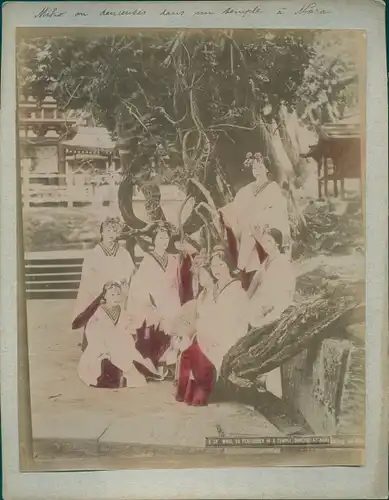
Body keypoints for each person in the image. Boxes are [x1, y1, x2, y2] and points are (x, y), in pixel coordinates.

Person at [175, 246, 249, 405]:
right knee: (188, 353)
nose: (217, 270)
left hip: (228, 339)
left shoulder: (236, 290)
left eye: (221, 265)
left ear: (229, 265)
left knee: (196, 351)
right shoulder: (213, 290)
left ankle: (208, 386)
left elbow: (238, 323)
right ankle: (195, 386)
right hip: (210, 336)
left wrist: (214, 335)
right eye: (214, 266)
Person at [217, 152, 290, 290]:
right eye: (254, 168)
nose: (256, 170)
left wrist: (263, 219)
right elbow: (236, 207)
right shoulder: (246, 190)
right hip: (248, 227)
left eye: (260, 167)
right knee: (247, 231)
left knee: (254, 231)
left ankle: (245, 267)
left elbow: (278, 209)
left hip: (266, 226)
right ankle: (245, 273)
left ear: (267, 169)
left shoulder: (273, 188)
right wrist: (223, 212)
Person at [125, 222, 188, 371]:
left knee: (177, 321)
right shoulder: (148, 260)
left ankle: (172, 358)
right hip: (152, 301)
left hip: (171, 298)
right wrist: (152, 303)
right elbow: (140, 285)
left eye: (166, 238)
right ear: (153, 240)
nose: (164, 241)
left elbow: (178, 282)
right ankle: (154, 360)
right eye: (160, 238)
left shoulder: (173, 259)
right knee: (154, 319)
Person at [77, 282, 161, 388]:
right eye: (112, 295)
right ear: (104, 296)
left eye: (118, 294)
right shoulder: (98, 311)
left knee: (130, 358)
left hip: (119, 341)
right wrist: (101, 345)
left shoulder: (121, 311)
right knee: (102, 362)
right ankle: (111, 376)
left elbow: (129, 324)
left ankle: (128, 373)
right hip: (101, 343)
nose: (116, 297)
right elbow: (91, 330)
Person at [72, 216, 136, 351]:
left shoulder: (124, 254)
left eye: (115, 231)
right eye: (108, 230)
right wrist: (105, 288)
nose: (111, 234)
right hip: (100, 295)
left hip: (119, 294)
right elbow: (89, 278)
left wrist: (119, 284)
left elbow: (129, 272)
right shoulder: (93, 255)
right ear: (102, 232)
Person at [246, 227, 296, 398]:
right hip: (260, 304)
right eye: (264, 242)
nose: (266, 245)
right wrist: (245, 299)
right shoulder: (266, 262)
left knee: (266, 333)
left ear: (277, 243)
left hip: (276, 307)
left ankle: (269, 387)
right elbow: (255, 281)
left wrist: (269, 307)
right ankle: (252, 378)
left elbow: (285, 289)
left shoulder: (282, 263)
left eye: (269, 242)